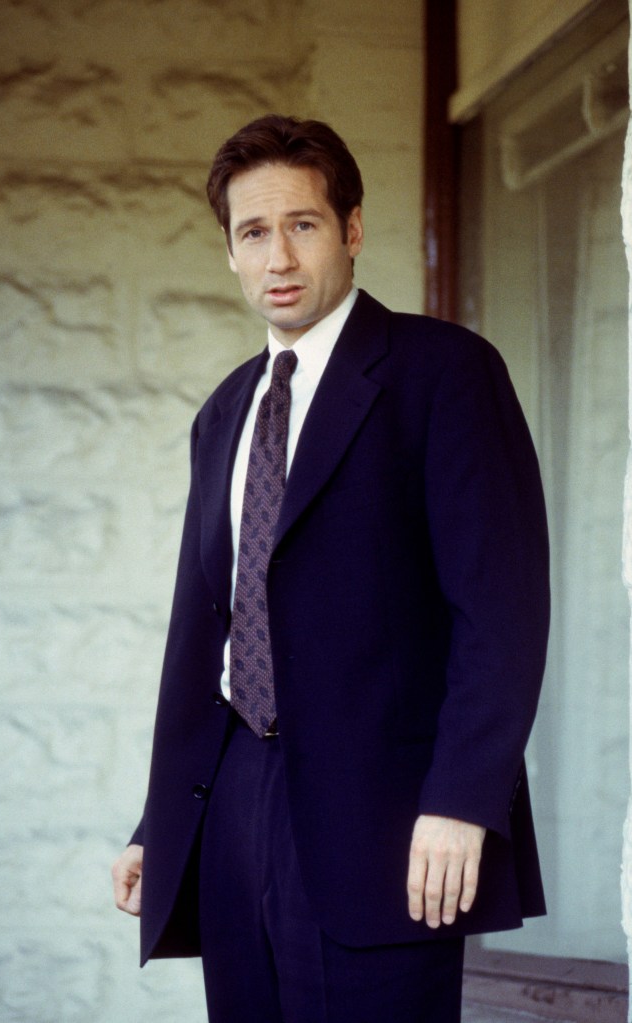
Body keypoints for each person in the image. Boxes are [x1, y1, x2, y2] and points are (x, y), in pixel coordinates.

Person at [111, 114, 550, 1023]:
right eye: (253, 232)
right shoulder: (223, 414)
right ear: (229, 251)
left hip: (388, 816)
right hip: (235, 801)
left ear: (351, 229)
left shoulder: (444, 373)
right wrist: (164, 818)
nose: (277, 257)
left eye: (302, 225)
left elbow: (500, 612)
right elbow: (204, 631)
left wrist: (463, 799)